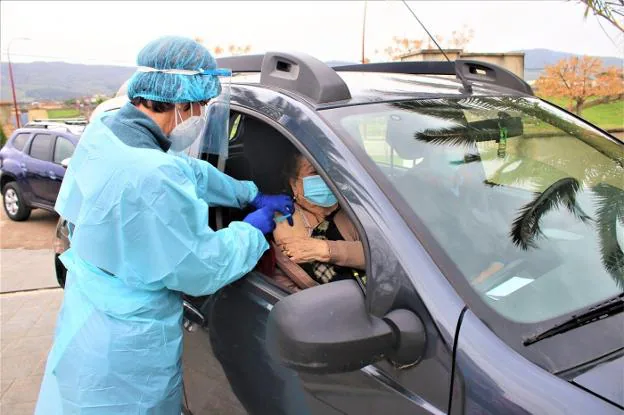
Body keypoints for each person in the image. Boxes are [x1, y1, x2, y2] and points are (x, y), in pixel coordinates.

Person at [35, 36, 292, 414]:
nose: (202, 115)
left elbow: (186, 170)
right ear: (181, 102)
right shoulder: (152, 176)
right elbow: (200, 267)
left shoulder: (108, 130)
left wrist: (244, 192)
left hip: (88, 312)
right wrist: (251, 230)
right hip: (127, 343)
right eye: (202, 106)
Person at [272, 152, 365, 291]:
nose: (326, 177)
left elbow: (383, 256)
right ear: (294, 185)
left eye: (331, 171)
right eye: (315, 172)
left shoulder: (356, 209)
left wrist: (325, 249)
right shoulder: (283, 219)